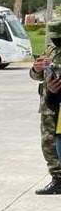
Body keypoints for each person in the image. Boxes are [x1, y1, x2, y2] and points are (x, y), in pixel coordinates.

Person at [30, 20, 61, 195]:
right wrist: (36, 68)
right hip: (49, 107)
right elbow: (35, 75)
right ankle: (58, 180)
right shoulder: (50, 50)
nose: (57, 42)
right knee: (49, 144)